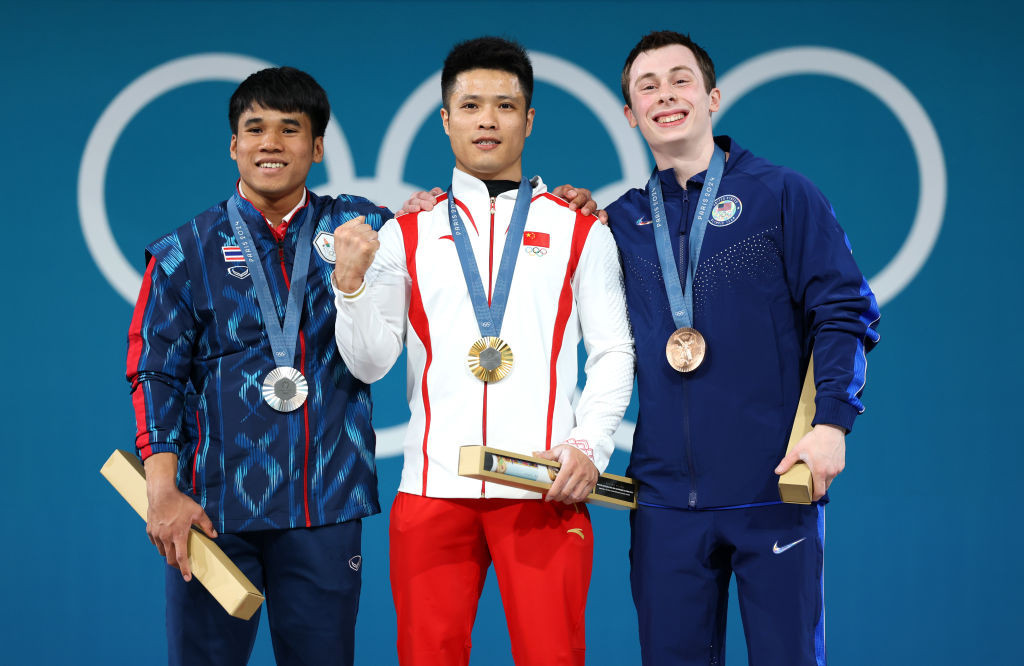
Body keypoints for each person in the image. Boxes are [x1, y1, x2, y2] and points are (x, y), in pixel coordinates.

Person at [331, 37, 635, 666]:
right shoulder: (406, 231)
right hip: (432, 489)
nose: (488, 120)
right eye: (470, 105)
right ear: (446, 120)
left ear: (528, 119)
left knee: (553, 657)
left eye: (505, 105)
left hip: (545, 485)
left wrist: (590, 446)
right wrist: (351, 287)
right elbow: (368, 363)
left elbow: (613, 350)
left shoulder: (581, 228)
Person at [607, 31, 881, 665]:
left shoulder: (781, 194)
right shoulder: (619, 221)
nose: (665, 95)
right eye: (647, 87)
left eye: (680, 80)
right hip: (665, 501)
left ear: (712, 97)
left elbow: (843, 310)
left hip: (774, 486)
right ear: (629, 114)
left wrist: (833, 423)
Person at [126, 66, 391, 666]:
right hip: (213, 514)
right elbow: (155, 372)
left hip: (325, 507)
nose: (271, 142)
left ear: (318, 146)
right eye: (255, 129)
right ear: (234, 146)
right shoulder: (183, 251)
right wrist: (162, 492)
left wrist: (578, 206)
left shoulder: (363, 228)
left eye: (290, 129)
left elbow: (461, 232)